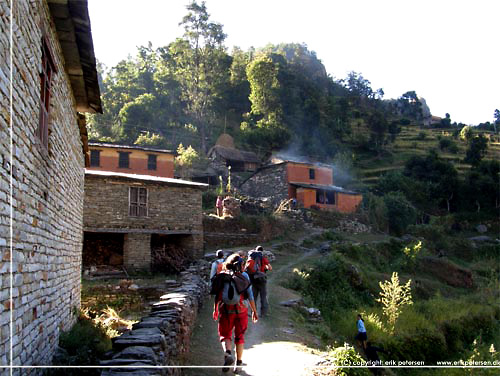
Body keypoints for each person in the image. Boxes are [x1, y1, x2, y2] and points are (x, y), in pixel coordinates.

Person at [213, 253, 258, 373]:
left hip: (226, 310)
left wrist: (215, 309)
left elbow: (218, 294)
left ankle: (228, 354)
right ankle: (238, 364)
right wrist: (254, 311)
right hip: (241, 311)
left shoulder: (223, 275)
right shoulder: (244, 276)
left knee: (225, 335)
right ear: (240, 265)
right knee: (240, 337)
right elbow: (250, 296)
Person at [244, 245, 272, 317]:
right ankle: (263, 313)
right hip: (261, 279)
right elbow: (270, 268)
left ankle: (253, 312)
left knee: (253, 296)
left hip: (253, 279)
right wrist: (264, 268)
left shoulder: (251, 257)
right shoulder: (263, 258)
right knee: (263, 296)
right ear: (262, 251)